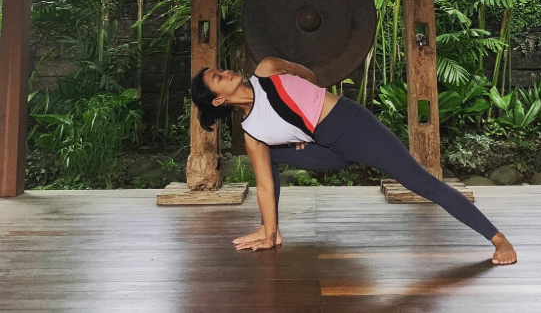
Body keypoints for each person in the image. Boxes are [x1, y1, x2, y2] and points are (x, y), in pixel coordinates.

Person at [190, 56, 517, 265]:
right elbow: (263, 186)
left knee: (421, 183)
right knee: (266, 157)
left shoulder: (267, 69)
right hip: (326, 149)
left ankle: (498, 239)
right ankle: (270, 231)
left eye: (220, 70)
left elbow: (308, 75)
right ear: (218, 100)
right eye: (218, 77)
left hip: (355, 127)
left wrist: (309, 107)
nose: (226, 71)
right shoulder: (253, 133)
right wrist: (301, 135)